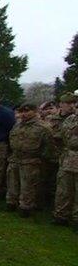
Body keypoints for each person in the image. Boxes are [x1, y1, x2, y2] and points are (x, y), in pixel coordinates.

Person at [6, 104, 55, 217]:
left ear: (35, 111)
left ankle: (25, 207)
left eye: (27, 111)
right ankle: (11, 202)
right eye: (22, 111)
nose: (24, 114)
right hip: (15, 158)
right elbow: (11, 139)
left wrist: (40, 158)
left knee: (28, 186)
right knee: (12, 183)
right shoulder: (17, 125)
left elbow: (49, 146)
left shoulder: (43, 127)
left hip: (31, 160)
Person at [53, 92, 78, 227]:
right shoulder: (70, 120)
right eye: (64, 103)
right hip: (67, 158)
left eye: (70, 103)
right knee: (63, 189)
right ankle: (61, 216)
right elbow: (61, 136)